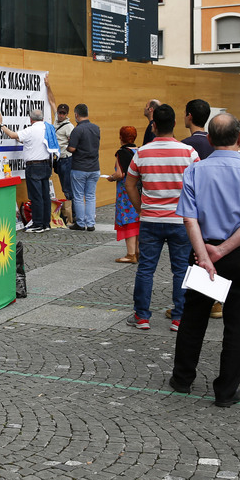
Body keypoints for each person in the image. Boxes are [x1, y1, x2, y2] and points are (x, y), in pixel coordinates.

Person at [169, 113, 240, 407]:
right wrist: (223, 251)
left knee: (194, 318)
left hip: (204, 252)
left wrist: (206, 255)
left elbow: (189, 219)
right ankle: (226, 392)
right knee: (237, 326)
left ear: (210, 140)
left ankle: (182, 378)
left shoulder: (194, 172)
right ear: (239, 138)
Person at [125, 104, 199, 331]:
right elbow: (199, 186)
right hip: (180, 221)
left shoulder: (142, 153)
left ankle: (142, 316)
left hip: (151, 220)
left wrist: (141, 208)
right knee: (180, 270)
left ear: (153, 125)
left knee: (146, 268)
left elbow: (129, 184)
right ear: (175, 124)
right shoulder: (189, 153)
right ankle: (179, 318)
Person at [180, 99, 221, 320]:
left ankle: (196, 305)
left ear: (189, 116)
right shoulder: (214, 143)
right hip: (215, 208)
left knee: (194, 255)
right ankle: (215, 301)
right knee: (213, 252)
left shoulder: (184, 146)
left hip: (193, 209)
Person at [1, 95, 60, 233]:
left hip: (34, 167)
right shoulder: (48, 128)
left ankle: (38, 224)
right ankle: (46, 223)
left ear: (31, 119)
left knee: (36, 196)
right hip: (46, 165)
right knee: (45, 195)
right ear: (43, 119)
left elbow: (13, 135)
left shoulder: (30, 130)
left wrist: (1, 125)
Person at [106, 126, 139, 263]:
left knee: (128, 220)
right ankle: (137, 251)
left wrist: (112, 177)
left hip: (126, 192)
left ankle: (130, 254)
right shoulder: (139, 151)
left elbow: (120, 174)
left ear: (121, 137)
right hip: (138, 190)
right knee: (137, 220)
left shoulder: (121, 153)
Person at [67, 103, 101, 231]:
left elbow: (72, 148)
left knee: (79, 196)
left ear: (76, 115)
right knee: (91, 196)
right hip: (94, 167)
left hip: (79, 168)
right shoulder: (96, 128)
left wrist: (67, 145)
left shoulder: (77, 130)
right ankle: (91, 223)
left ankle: (80, 223)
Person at [55, 103, 75, 224]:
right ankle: (72, 214)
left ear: (67, 114)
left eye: (63, 113)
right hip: (59, 159)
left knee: (68, 188)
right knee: (65, 187)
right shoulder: (55, 122)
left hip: (66, 158)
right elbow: (52, 103)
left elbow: (73, 143)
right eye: (59, 112)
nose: (61, 115)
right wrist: (48, 86)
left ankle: (73, 214)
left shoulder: (69, 126)